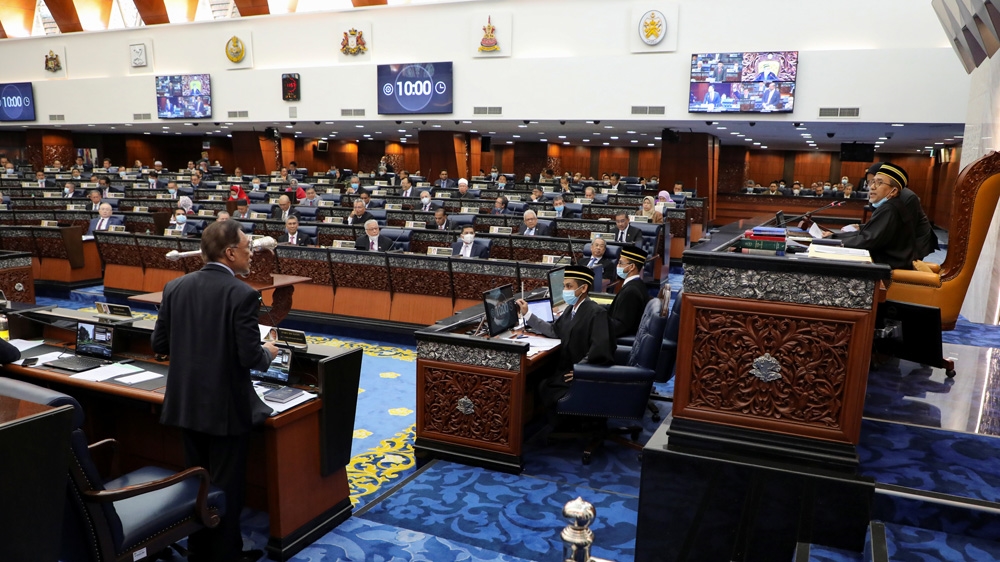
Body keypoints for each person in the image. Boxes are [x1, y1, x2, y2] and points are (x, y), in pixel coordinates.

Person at [153, 220, 276, 562]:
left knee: (197, 483)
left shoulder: (174, 287)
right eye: (248, 246)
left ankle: (198, 551)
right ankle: (226, 556)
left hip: (184, 404)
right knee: (226, 489)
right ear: (230, 252)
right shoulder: (243, 294)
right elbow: (251, 356)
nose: (252, 251)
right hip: (224, 411)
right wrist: (271, 352)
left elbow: (159, 342)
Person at [515, 265, 614, 412]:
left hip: (579, 374)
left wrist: (581, 370)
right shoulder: (570, 309)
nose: (565, 290)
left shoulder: (596, 313)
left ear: (583, 288)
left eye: (569, 286)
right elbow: (554, 331)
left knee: (544, 384)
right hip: (567, 368)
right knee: (539, 380)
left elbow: (600, 349)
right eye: (564, 286)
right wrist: (528, 314)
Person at [830, 163, 916, 270]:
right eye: (872, 182)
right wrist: (834, 237)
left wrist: (831, 240)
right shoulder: (891, 206)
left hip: (888, 272)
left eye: (879, 183)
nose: (872, 187)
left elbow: (867, 240)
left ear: (893, 191)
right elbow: (867, 233)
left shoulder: (890, 209)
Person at [866, 162, 938, 259]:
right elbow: (881, 221)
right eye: (870, 182)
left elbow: (903, 229)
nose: (872, 186)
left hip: (915, 240)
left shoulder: (907, 198)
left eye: (879, 181)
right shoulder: (877, 195)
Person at [605, 245, 651, 339]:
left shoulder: (631, 291)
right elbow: (619, 309)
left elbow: (621, 325)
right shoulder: (636, 284)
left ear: (632, 267)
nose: (618, 266)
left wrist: (595, 325)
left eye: (621, 263)